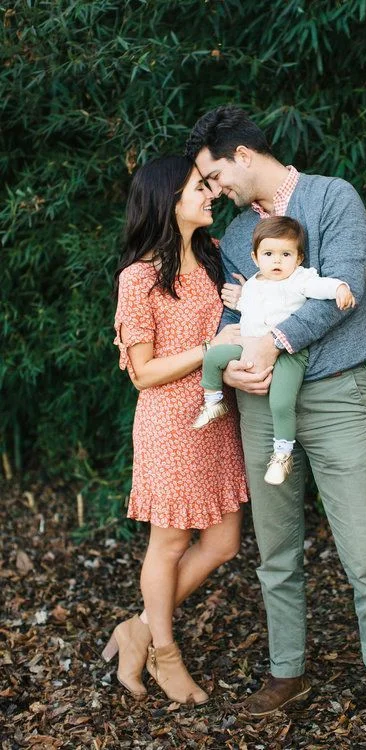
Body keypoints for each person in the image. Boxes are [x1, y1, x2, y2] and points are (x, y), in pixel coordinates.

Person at [185, 107, 366, 744]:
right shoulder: (238, 235)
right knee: (276, 550)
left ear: (241, 155)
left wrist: (278, 343)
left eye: (214, 177)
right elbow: (229, 317)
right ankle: (287, 670)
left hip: (339, 396)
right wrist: (237, 364)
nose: (216, 192)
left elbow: (345, 290)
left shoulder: (333, 198)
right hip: (261, 403)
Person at [102, 155, 248, 705]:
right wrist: (206, 350)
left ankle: (137, 628)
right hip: (171, 424)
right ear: (168, 200)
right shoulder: (139, 277)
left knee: (224, 542)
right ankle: (165, 652)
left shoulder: (212, 258)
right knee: (169, 543)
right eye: (198, 187)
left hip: (218, 419)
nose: (210, 194)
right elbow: (143, 373)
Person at [193, 215, 355, 487]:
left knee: (280, 402)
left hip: (289, 352)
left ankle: (282, 454)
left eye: (286, 254)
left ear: (299, 258)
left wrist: (339, 287)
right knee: (212, 356)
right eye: (269, 254)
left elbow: (319, 286)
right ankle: (213, 401)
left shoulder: (300, 279)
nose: (277, 261)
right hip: (249, 344)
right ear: (256, 258)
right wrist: (241, 298)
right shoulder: (254, 283)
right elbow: (252, 309)